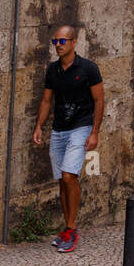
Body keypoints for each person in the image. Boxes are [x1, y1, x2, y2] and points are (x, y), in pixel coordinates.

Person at [32, 23, 104, 253]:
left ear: (74, 42)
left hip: (80, 127)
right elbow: (46, 100)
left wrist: (95, 132)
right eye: (55, 41)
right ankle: (67, 227)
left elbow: (99, 101)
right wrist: (39, 126)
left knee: (69, 175)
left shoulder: (88, 69)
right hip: (59, 129)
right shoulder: (53, 70)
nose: (57, 46)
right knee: (61, 180)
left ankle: (72, 229)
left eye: (62, 41)